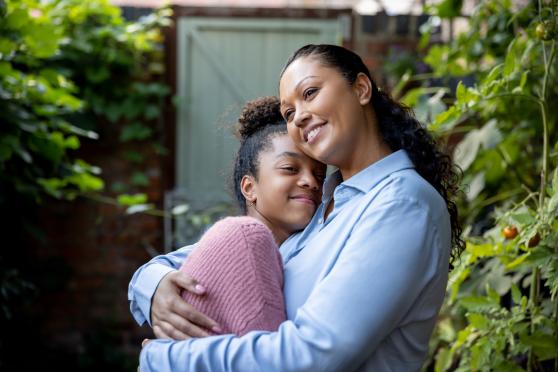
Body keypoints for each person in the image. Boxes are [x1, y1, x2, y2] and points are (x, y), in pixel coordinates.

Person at [131, 44, 464, 371]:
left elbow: (314, 354)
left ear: (361, 88)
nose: (300, 116)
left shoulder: (402, 204)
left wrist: (163, 357)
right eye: (288, 113)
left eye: (310, 93)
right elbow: (214, 255)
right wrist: (153, 285)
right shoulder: (324, 207)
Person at [129, 95, 325, 337]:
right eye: (290, 169)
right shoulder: (234, 242)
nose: (312, 182)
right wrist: (156, 285)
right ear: (249, 187)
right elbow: (154, 271)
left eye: (320, 175)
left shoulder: (321, 244)